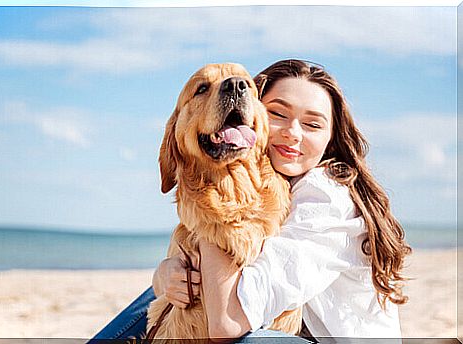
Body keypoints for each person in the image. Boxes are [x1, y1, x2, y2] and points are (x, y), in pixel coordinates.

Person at [89, 59, 411, 342]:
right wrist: (162, 277)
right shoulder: (280, 181)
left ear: (331, 139)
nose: (293, 134)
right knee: (172, 287)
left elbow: (228, 321)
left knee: (249, 340)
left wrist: (209, 210)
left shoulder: (324, 195)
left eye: (313, 124)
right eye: (277, 113)